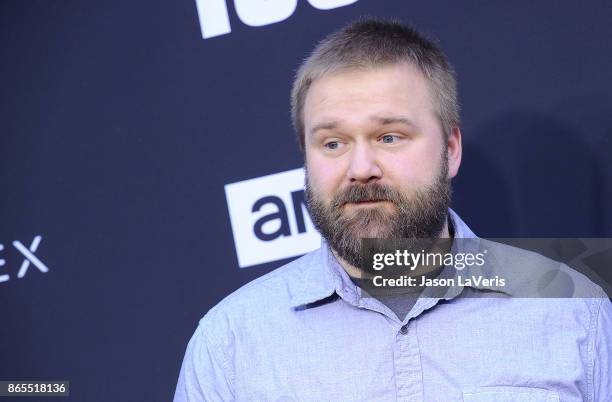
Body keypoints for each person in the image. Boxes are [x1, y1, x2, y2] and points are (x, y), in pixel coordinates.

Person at [174, 18, 611, 401]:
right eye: (332, 143)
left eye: (389, 136)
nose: (360, 169)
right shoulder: (231, 343)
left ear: (451, 149)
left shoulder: (573, 310)